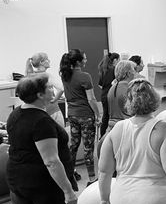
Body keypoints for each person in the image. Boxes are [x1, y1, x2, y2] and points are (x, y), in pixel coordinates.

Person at [6, 74, 78, 204]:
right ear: (39, 94)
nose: (52, 89)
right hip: (41, 183)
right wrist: (68, 191)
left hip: (18, 178)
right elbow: (51, 161)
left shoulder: (15, 114)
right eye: (48, 88)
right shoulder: (41, 122)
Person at [60, 49, 101, 188]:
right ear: (78, 61)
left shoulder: (64, 75)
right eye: (84, 58)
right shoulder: (85, 76)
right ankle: (92, 179)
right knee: (88, 149)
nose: (86, 60)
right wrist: (98, 114)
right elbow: (91, 99)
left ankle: (70, 175)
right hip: (85, 116)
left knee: (73, 146)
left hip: (72, 115)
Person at [25, 52, 65, 127]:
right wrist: (55, 99)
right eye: (47, 59)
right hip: (52, 111)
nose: (49, 61)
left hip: (39, 113)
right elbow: (61, 89)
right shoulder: (46, 75)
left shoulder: (30, 76)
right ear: (41, 62)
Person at [107, 60, 136, 130]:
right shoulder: (129, 89)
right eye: (133, 70)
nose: (135, 73)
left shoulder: (113, 87)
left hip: (113, 126)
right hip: (125, 127)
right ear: (129, 73)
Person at [98, 52, 120, 137]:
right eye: (119, 59)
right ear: (115, 60)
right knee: (114, 116)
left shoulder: (103, 69)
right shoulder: (114, 70)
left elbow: (100, 85)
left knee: (105, 116)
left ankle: (102, 136)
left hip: (104, 95)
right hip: (111, 95)